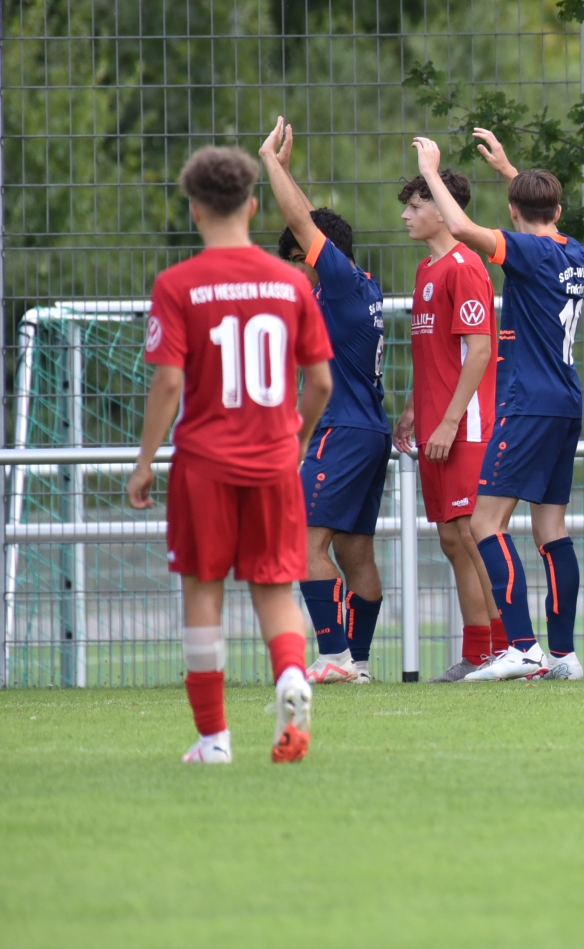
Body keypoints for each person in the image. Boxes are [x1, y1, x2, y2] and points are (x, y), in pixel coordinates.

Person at [129, 146, 333, 764]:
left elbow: (168, 382)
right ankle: (292, 677)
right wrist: (296, 441)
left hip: (204, 464)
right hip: (273, 462)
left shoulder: (177, 284)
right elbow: (321, 382)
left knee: (203, 592)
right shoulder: (291, 282)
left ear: (194, 209)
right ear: (251, 205)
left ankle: (214, 740)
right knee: (273, 588)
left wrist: (144, 461)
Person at [412, 132, 584, 682]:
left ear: (513, 213)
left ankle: (524, 647)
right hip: (566, 400)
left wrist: (432, 171)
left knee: (486, 522)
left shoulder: (528, 252)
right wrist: (512, 171)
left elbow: (462, 228)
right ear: (558, 210)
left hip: (528, 401)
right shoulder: (573, 251)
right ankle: (563, 655)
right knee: (551, 529)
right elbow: (536, 210)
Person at [256, 119, 391, 686]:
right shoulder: (361, 283)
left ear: (314, 256)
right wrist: (288, 175)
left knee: (303, 542)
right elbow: (311, 224)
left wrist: (269, 162)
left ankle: (332, 654)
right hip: (370, 431)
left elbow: (304, 226)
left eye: (295, 257)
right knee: (356, 552)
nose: (290, 269)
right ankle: (356, 662)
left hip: (342, 431)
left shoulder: (336, 285)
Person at [395, 165, 502, 683]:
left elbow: (480, 351)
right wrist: (415, 409)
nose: (406, 215)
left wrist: (450, 421)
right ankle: (478, 653)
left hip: (466, 426)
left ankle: (509, 650)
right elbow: (437, 353)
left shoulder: (466, 266)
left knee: (475, 535)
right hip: (435, 426)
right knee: (452, 539)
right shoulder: (426, 270)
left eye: (416, 206)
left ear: (442, 210)